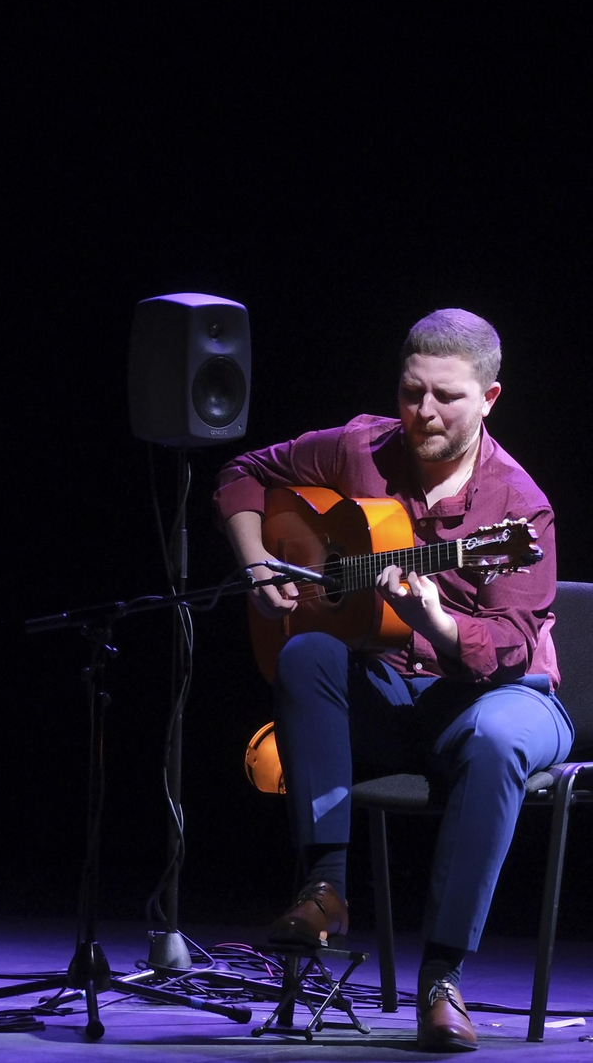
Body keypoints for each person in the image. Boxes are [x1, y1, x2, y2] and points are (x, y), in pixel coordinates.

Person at [216, 308, 569, 1052]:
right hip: (393, 693)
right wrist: (257, 565)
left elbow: (507, 650)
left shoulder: (518, 509)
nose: (424, 413)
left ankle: (441, 977)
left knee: (499, 735)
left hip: (504, 695)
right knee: (310, 652)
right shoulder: (362, 447)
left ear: (490, 398)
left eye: (446, 397)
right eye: (413, 392)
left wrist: (438, 623)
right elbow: (244, 474)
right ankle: (325, 890)